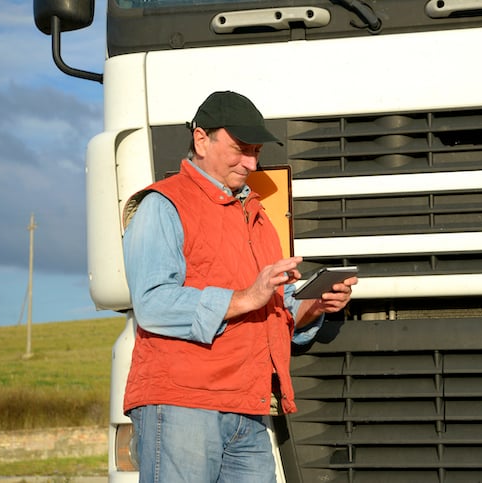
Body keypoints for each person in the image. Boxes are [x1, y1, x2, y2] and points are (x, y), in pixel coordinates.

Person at [120, 90, 357, 483]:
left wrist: (316, 305)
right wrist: (247, 296)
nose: (251, 163)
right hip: (183, 404)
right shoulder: (162, 205)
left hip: (248, 405)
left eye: (256, 151)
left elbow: (270, 311)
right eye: (240, 149)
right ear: (201, 139)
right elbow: (153, 303)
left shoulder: (258, 215)